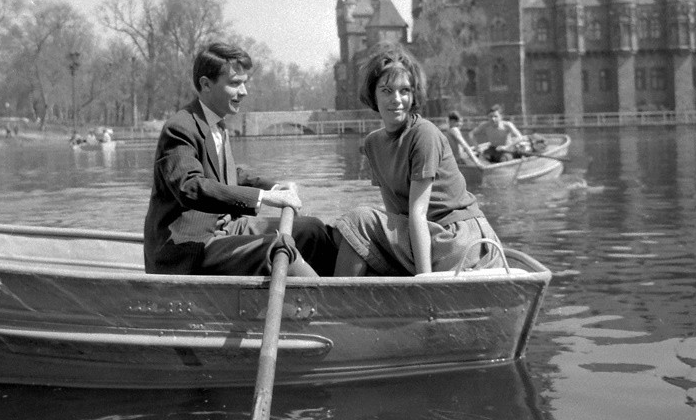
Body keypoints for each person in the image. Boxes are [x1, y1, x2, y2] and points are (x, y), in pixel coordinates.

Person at [143, 41, 337, 277]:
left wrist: (273, 187)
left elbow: (230, 173)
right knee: (276, 249)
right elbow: (190, 187)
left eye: (244, 83)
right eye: (235, 84)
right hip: (192, 247)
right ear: (206, 84)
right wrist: (265, 198)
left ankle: (326, 292)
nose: (243, 92)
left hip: (227, 229)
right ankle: (330, 308)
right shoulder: (180, 127)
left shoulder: (217, 122)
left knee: (313, 230)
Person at [332, 44, 507, 276]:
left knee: (359, 220)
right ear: (373, 95)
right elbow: (396, 213)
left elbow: (417, 213)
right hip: (427, 234)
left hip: (459, 237)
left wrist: (424, 282)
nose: (397, 99)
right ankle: (345, 299)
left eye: (404, 90)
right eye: (386, 90)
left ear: (414, 95)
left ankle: (337, 304)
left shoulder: (424, 133)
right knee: (342, 233)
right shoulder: (373, 144)